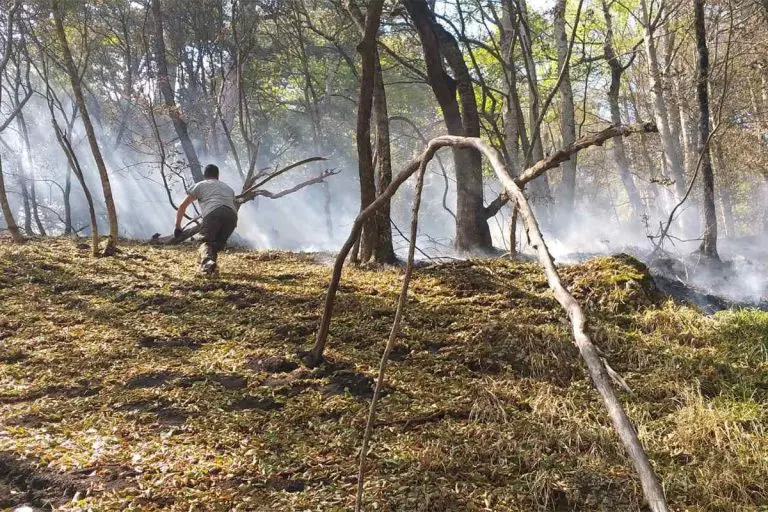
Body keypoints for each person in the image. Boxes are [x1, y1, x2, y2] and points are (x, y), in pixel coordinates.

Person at [174, 164, 238, 275]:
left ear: (205, 175)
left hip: (214, 213)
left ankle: (207, 262)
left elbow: (182, 206)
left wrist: (178, 226)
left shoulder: (201, 185)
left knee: (205, 242)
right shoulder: (228, 188)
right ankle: (209, 268)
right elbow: (229, 205)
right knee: (215, 244)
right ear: (218, 176)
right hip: (232, 216)